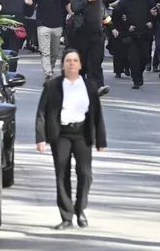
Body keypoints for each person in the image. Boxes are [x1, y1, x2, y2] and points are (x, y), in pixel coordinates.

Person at [36, 49, 107, 230]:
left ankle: (80, 209)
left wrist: (100, 140)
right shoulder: (53, 86)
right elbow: (42, 112)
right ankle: (66, 216)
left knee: (85, 174)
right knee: (62, 174)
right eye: (68, 61)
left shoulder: (89, 86)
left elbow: (97, 114)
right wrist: (41, 137)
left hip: (82, 133)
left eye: (75, 61)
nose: (72, 64)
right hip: (61, 134)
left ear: (80, 65)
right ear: (63, 65)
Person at [71, 0, 113, 95]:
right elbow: (75, 8)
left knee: (95, 61)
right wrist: (87, 0)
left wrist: (112, 28)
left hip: (97, 35)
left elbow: (104, 13)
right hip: (82, 35)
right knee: (82, 62)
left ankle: (98, 87)